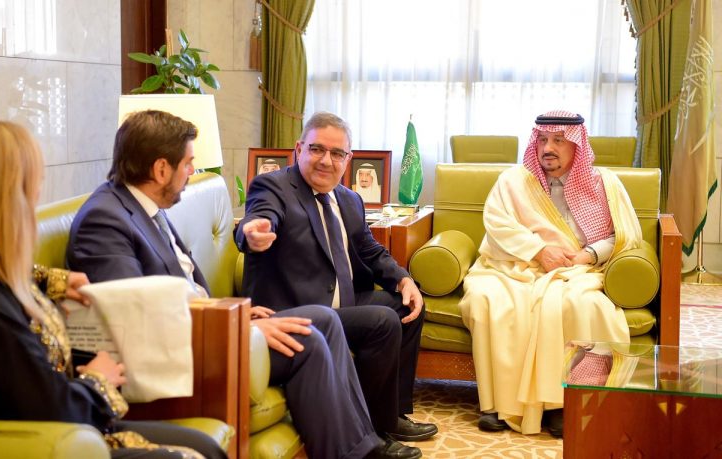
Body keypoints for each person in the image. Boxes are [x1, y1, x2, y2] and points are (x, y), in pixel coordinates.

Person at [66, 110, 417, 459]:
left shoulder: (143, 208)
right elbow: (137, 318)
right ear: (161, 170)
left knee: (324, 321)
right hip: (182, 348)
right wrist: (238, 327)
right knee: (309, 335)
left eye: (337, 153)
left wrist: (240, 317)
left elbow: (180, 294)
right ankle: (355, 453)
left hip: (206, 326)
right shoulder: (106, 219)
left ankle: (363, 444)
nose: (191, 173)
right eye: (188, 164)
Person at [0, 118, 226, 459]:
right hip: (45, 440)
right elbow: (52, 407)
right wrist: (99, 380)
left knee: (206, 446)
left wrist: (52, 281)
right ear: (5, 197)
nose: (37, 195)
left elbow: (10, 280)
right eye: (33, 185)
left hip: (71, 425)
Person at [236, 112, 438, 447]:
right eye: (316, 149)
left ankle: (391, 416)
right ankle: (375, 431)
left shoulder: (348, 198)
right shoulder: (273, 187)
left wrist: (404, 280)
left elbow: (370, 251)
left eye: (336, 153)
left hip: (343, 301)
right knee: (382, 321)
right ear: (299, 148)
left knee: (409, 306)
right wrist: (253, 233)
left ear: (348, 158)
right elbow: (260, 216)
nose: (326, 160)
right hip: (297, 311)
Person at [460, 110, 642, 437]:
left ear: (577, 144)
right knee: (489, 301)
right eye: (543, 140)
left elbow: (624, 235)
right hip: (512, 266)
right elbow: (498, 225)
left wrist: (588, 254)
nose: (548, 148)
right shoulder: (513, 181)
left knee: (577, 305)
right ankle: (498, 404)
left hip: (577, 269)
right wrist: (539, 251)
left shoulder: (605, 184)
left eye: (558, 140)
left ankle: (564, 402)